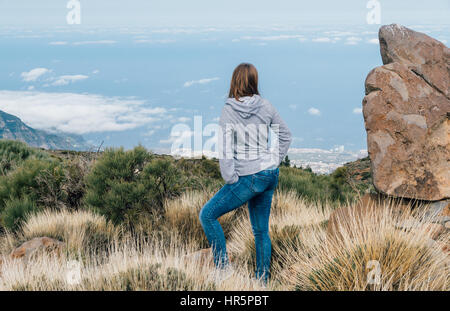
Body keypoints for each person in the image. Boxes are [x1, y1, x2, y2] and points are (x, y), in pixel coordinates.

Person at [199, 63, 292, 284]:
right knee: (261, 232)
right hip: (268, 175)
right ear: (254, 81)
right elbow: (286, 136)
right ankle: (262, 282)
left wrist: (231, 178)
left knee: (207, 215)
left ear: (235, 81)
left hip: (247, 177)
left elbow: (224, 149)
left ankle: (223, 269)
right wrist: (273, 160)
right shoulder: (266, 106)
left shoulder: (229, 110)